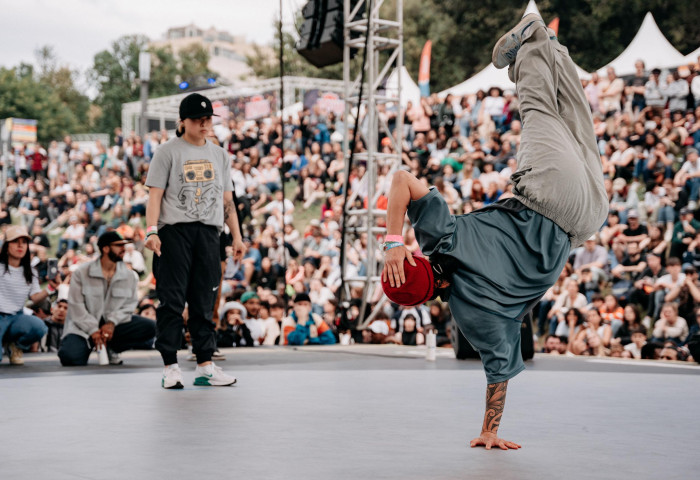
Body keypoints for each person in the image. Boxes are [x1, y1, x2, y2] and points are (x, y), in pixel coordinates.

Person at [382, 14, 607, 450]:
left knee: (576, 118)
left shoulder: (472, 317)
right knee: (543, 109)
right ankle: (531, 39)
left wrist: (489, 431)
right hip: (547, 191)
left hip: (586, 220)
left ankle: (549, 47)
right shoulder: (439, 237)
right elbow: (399, 179)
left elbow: (499, 374)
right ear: (415, 261)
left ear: (430, 300)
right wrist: (393, 243)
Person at [145, 93, 246, 389]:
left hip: (210, 232)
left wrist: (237, 236)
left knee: (205, 300)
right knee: (172, 300)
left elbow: (228, 200)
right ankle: (170, 365)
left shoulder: (220, 154)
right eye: (198, 120)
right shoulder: (167, 152)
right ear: (183, 121)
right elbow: (155, 196)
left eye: (207, 120)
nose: (204, 125)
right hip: (174, 231)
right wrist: (151, 231)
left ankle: (205, 364)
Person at [58, 231, 156, 366]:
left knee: (150, 327)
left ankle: (112, 347)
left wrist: (111, 323)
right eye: (118, 245)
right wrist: (93, 330)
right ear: (105, 248)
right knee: (70, 358)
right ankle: (87, 345)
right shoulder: (81, 273)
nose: (123, 249)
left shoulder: (130, 276)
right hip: (82, 327)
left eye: (124, 245)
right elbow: (76, 306)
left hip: (113, 327)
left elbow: (130, 305)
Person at [0, 225, 56, 365]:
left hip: (16, 317)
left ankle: (15, 346)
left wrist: (50, 288)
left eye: (24, 242)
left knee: (39, 327)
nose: (20, 245)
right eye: (15, 241)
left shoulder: (31, 271)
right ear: (6, 246)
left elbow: (34, 297)